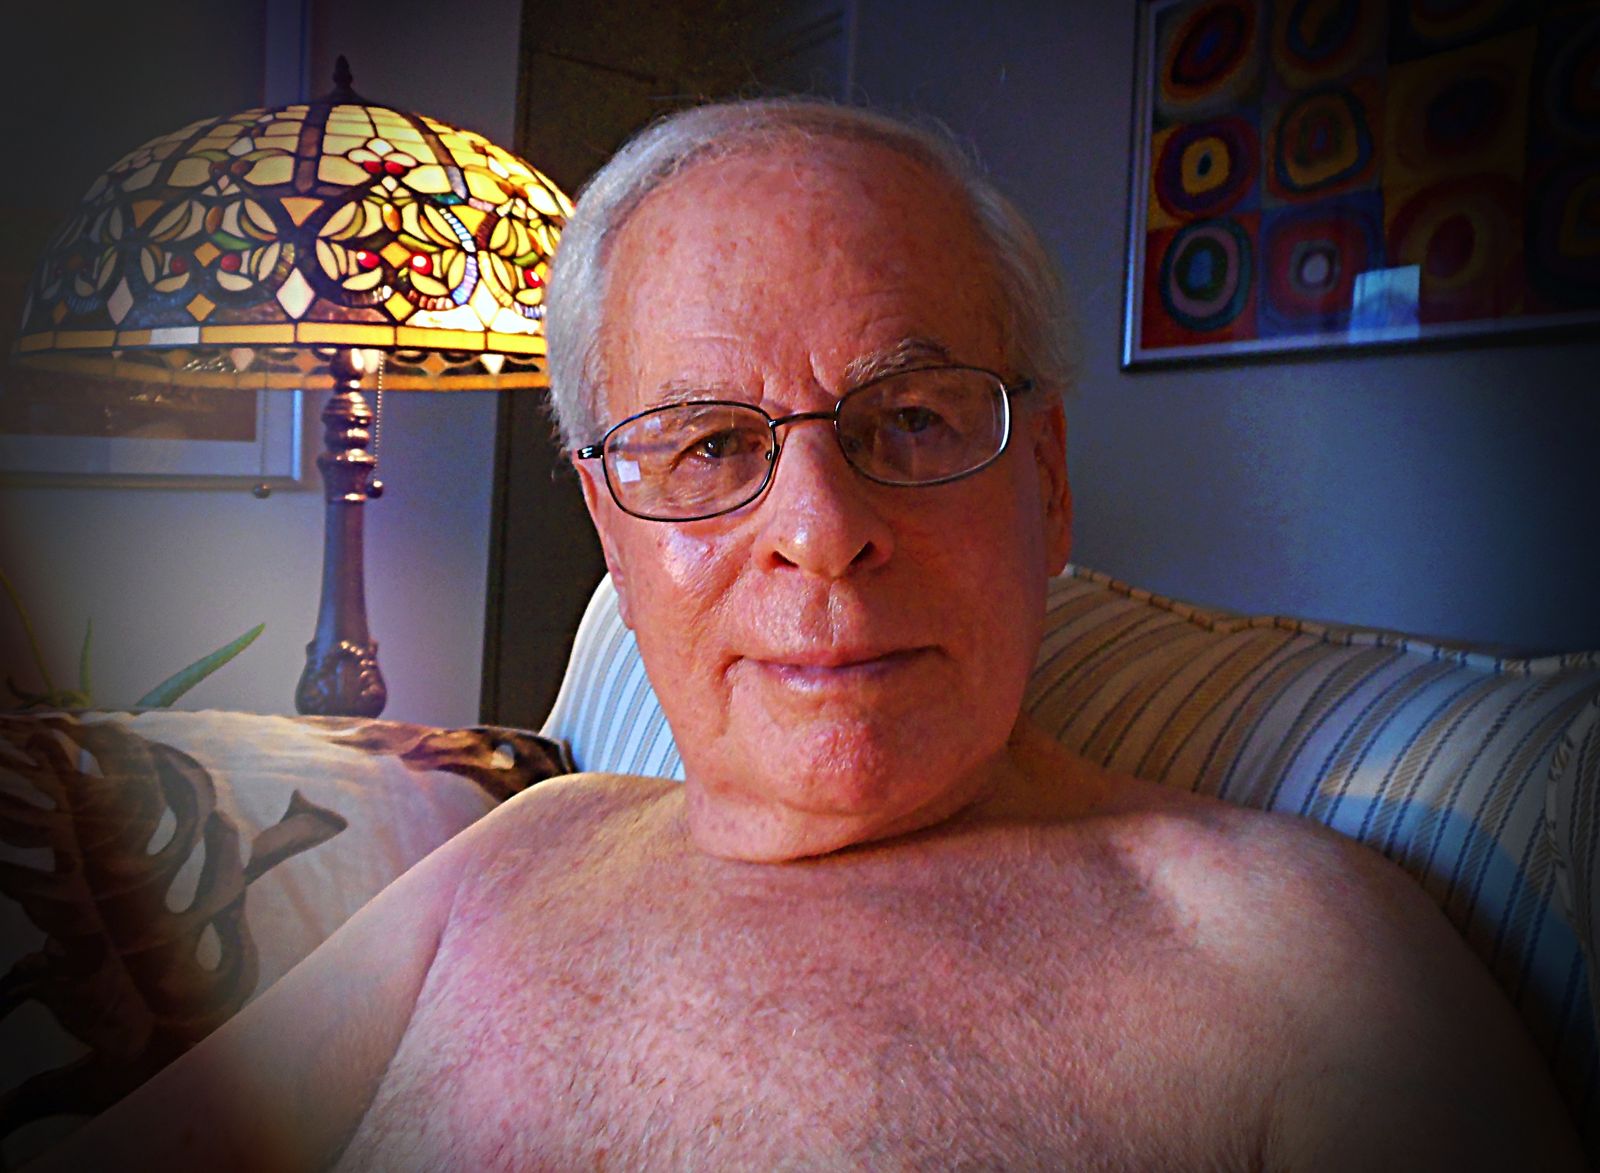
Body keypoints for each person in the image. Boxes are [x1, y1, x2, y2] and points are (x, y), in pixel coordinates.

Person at [33, 98, 1582, 1171]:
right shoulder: (521, 851)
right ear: (609, 531)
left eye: (911, 419)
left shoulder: (1298, 962)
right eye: (709, 445)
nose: (822, 527)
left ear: (1045, 482)